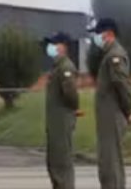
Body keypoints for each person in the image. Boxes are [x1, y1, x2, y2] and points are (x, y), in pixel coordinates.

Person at [90, 18, 131, 189]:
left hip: (112, 115)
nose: (96, 38)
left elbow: (122, 85)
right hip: (107, 116)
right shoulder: (109, 56)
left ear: (109, 34)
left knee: (110, 163)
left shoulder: (115, 56)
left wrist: (129, 110)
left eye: (98, 34)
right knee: (107, 162)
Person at [43, 31, 80, 189]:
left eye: (54, 43)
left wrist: (72, 110)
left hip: (62, 123)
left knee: (62, 165)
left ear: (63, 46)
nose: (50, 47)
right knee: (54, 164)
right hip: (55, 123)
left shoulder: (65, 67)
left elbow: (71, 95)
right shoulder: (56, 67)